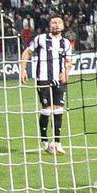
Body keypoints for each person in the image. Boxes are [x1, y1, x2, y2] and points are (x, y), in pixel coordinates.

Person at [19, 15, 73, 154]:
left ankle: (57, 142)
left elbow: (69, 62)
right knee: (47, 109)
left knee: (59, 109)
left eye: (59, 22)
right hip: (43, 79)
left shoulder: (66, 43)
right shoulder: (40, 38)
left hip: (59, 79)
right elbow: (27, 53)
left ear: (63, 26)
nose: (56, 24)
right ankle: (44, 142)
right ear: (50, 25)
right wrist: (23, 69)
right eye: (53, 22)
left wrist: (66, 72)